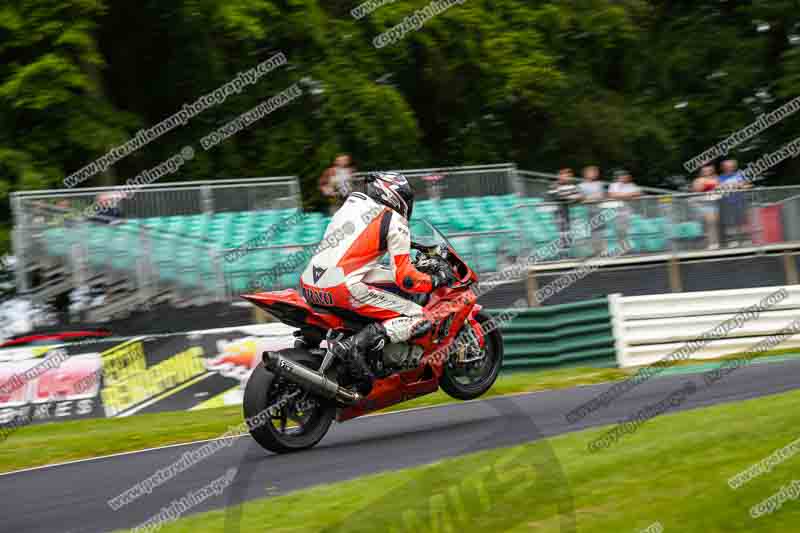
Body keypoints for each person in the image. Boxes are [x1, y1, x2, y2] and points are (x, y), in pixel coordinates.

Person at [299, 172, 456, 394]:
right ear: (396, 196)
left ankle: (348, 351)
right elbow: (406, 279)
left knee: (376, 278)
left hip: (310, 283)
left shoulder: (351, 207)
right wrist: (435, 279)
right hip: (341, 288)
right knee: (420, 316)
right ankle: (353, 347)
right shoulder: (395, 220)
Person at [718, 159, 751, 247]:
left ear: (734, 167)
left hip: (740, 202)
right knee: (730, 223)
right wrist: (723, 187)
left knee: (742, 221)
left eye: (731, 166)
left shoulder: (740, 175)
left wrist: (742, 186)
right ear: (723, 168)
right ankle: (733, 240)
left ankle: (745, 240)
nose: (729, 168)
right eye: (726, 167)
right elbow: (717, 188)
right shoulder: (720, 177)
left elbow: (748, 185)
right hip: (727, 203)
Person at [547, 168, 583, 246]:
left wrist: (568, 197)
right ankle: (562, 245)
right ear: (559, 176)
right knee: (561, 228)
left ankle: (567, 246)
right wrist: (570, 197)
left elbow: (579, 196)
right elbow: (555, 196)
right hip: (558, 210)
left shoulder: (573, 186)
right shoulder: (554, 185)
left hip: (569, 210)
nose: (567, 177)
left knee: (568, 228)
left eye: (569, 176)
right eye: (565, 176)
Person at [607, 169, 641, 243]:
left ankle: (627, 246)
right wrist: (627, 195)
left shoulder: (631, 185)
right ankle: (620, 246)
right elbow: (611, 195)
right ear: (618, 177)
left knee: (628, 230)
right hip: (615, 211)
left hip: (627, 211)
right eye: (622, 176)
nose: (624, 177)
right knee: (618, 230)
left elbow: (638, 193)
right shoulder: (613, 185)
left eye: (625, 175)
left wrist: (622, 195)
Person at [692, 165, 720, 249]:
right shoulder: (698, 180)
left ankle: (715, 242)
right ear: (701, 172)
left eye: (709, 170)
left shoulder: (715, 179)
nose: (707, 172)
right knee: (709, 224)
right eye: (705, 171)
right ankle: (710, 243)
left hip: (714, 203)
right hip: (704, 204)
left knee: (714, 224)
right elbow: (697, 189)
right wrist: (706, 185)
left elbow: (720, 188)